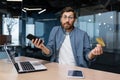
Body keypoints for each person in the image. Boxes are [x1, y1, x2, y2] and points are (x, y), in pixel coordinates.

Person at [32, 7, 103, 68]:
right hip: (57, 67)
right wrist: (42, 47)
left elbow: (87, 56)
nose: (67, 20)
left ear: (74, 19)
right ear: (61, 19)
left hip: (77, 69)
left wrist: (93, 53)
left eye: (70, 17)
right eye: (65, 17)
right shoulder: (55, 30)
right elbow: (50, 52)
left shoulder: (83, 34)